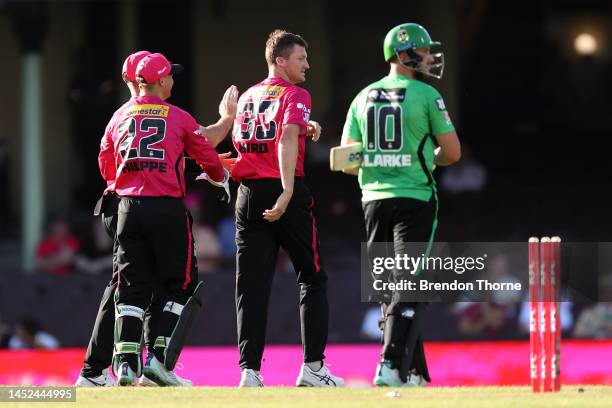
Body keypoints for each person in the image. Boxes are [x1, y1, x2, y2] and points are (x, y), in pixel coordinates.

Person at [76, 51, 238, 387]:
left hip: (126, 208)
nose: (174, 80)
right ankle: (159, 363)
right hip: (166, 209)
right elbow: (206, 153)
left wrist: (127, 184)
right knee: (183, 285)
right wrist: (219, 177)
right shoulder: (177, 116)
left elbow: (105, 162)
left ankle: (124, 366)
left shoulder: (118, 117)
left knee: (129, 290)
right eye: (171, 76)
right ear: (161, 80)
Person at [340, 23, 461, 387]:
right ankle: (391, 363)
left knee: (391, 285)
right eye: (423, 51)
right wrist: (422, 155)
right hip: (415, 197)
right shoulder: (425, 95)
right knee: (409, 283)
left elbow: (346, 162)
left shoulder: (362, 96)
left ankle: (414, 372)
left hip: (373, 199)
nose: (428, 57)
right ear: (406, 54)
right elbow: (452, 153)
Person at [230, 29, 343, 388]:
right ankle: (313, 368)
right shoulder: (296, 93)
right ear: (280, 60)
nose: (307, 65)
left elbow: (249, 144)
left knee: (251, 284)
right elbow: (285, 139)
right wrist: (287, 190)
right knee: (312, 276)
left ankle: (249, 372)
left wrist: (300, 128)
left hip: (247, 193)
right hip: (283, 191)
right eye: (301, 58)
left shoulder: (248, 96)